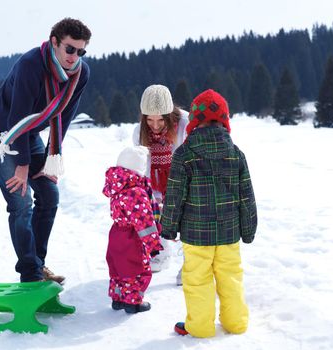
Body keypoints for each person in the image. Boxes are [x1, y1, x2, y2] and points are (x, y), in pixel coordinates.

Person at [0, 18, 91, 283]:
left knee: (49, 195)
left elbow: (64, 115)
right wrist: (23, 166)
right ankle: (30, 273)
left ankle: (38, 264)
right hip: (2, 134)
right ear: (54, 42)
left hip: (28, 133)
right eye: (70, 49)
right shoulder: (31, 65)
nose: (75, 57)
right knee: (21, 201)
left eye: (81, 51)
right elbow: (17, 118)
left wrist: (52, 160)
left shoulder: (80, 73)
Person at [160, 89, 258, 337]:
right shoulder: (236, 154)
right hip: (229, 233)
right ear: (225, 120)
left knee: (197, 280)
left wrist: (168, 227)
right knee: (231, 277)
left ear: (194, 121)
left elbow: (174, 197)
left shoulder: (183, 154)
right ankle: (236, 322)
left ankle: (201, 327)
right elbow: (247, 196)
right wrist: (248, 230)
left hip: (196, 236)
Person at [132, 84, 188, 281]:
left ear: (169, 115)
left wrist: (177, 191)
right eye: (149, 120)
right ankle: (160, 252)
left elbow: (191, 160)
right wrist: (150, 196)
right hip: (155, 181)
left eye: (160, 120)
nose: (154, 126)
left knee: (187, 216)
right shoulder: (139, 132)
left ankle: (190, 262)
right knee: (154, 211)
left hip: (183, 176)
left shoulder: (185, 125)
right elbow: (143, 166)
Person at [102, 146, 163, 314]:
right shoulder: (136, 191)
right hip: (132, 235)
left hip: (116, 233)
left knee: (119, 267)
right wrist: (153, 245)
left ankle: (118, 298)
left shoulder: (116, 186)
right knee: (136, 269)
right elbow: (145, 222)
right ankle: (133, 303)